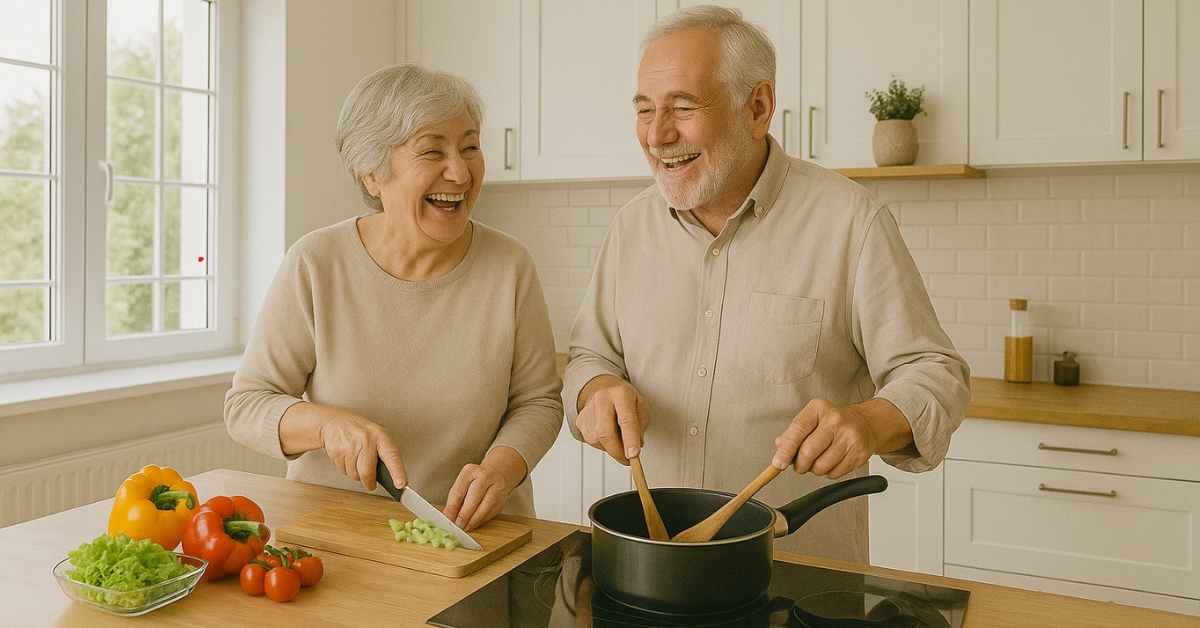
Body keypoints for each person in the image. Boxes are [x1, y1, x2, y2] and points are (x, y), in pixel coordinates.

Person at [563, 6, 971, 561]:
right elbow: (590, 356)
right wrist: (596, 389)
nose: (657, 134)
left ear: (757, 107)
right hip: (655, 570)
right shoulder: (630, 227)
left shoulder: (850, 222)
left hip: (803, 572)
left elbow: (935, 373)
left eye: (683, 107)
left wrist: (869, 422)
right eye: (644, 110)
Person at [225, 63, 563, 531]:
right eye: (432, 151)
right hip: (337, 535)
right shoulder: (317, 263)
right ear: (373, 175)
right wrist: (327, 424)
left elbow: (539, 402)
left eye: (470, 147)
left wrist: (501, 470)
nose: (460, 172)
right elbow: (247, 405)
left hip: (476, 533)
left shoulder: (509, 266)